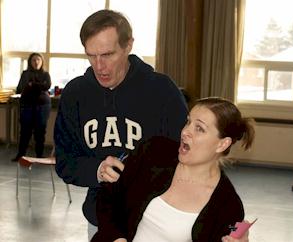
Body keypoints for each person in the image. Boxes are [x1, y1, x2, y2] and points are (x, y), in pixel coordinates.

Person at [53, 9, 188, 240]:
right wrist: (97, 170)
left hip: (155, 223)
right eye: (91, 55)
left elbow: (186, 157)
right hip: (101, 221)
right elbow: (65, 161)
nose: (99, 66)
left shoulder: (162, 91)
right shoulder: (75, 94)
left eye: (107, 54)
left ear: (128, 46)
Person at [92, 97, 255, 242]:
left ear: (222, 144)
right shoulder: (153, 151)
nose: (185, 132)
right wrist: (116, 237)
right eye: (188, 122)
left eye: (199, 128)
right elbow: (108, 195)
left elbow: (233, 233)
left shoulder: (229, 206)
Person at [12, 52, 52, 161]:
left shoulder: (45, 74)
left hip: (42, 107)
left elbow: (47, 86)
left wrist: (32, 85)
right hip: (27, 106)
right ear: (30, 62)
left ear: (42, 61)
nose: (36, 62)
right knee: (25, 131)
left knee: (40, 132)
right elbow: (20, 88)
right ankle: (20, 155)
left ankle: (39, 155)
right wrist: (38, 86)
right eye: (34, 60)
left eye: (38, 60)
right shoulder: (25, 74)